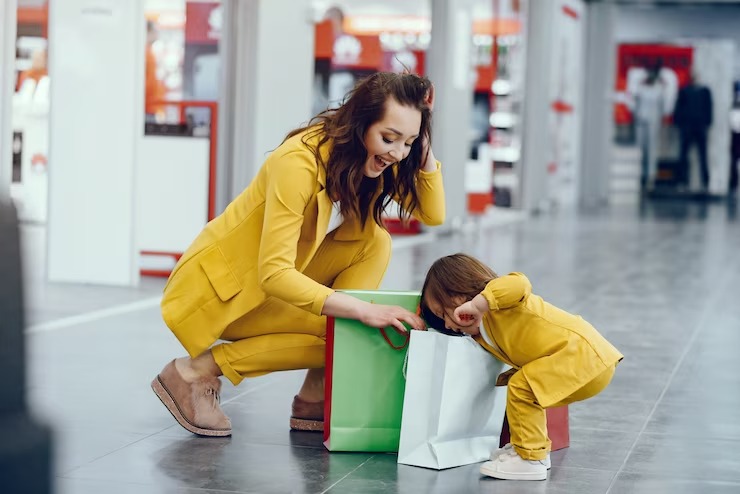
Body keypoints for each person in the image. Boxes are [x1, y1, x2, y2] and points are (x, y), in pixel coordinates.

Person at [151, 72, 444, 437]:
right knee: (343, 328)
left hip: (264, 286)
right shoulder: (299, 163)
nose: (399, 153)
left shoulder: (367, 158)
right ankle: (195, 371)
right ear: (359, 123)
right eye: (389, 138)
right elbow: (273, 273)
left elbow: (433, 213)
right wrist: (365, 310)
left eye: (409, 142)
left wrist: (421, 137)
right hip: (221, 293)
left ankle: (315, 393)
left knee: (374, 242)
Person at [420, 254, 623, 481]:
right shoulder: (481, 333)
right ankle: (532, 451)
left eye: (442, 312)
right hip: (584, 362)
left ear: (460, 291)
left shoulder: (501, 303)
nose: (447, 323)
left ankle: (530, 459)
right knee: (526, 390)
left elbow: (520, 282)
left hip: (582, 355)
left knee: (522, 386)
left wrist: (479, 304)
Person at [674, 73, 713, 191]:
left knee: (703, 154)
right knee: (684, 154)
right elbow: (678, 108)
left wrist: (707, 122)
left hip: (700, 126)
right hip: (687, 126)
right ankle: (682, 180)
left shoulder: (705, 91)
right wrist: (679, 123)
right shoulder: (684, 91)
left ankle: (705, 181)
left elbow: (709, 107)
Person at [633, 68, 665, 190]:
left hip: (653, 122)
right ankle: (638, 175)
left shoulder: (659, 91)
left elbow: (661, 108)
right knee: (640, 149)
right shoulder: (641, 89)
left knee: (651, 150)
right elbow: (635, 105)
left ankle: (650, 177)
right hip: (641, 122)